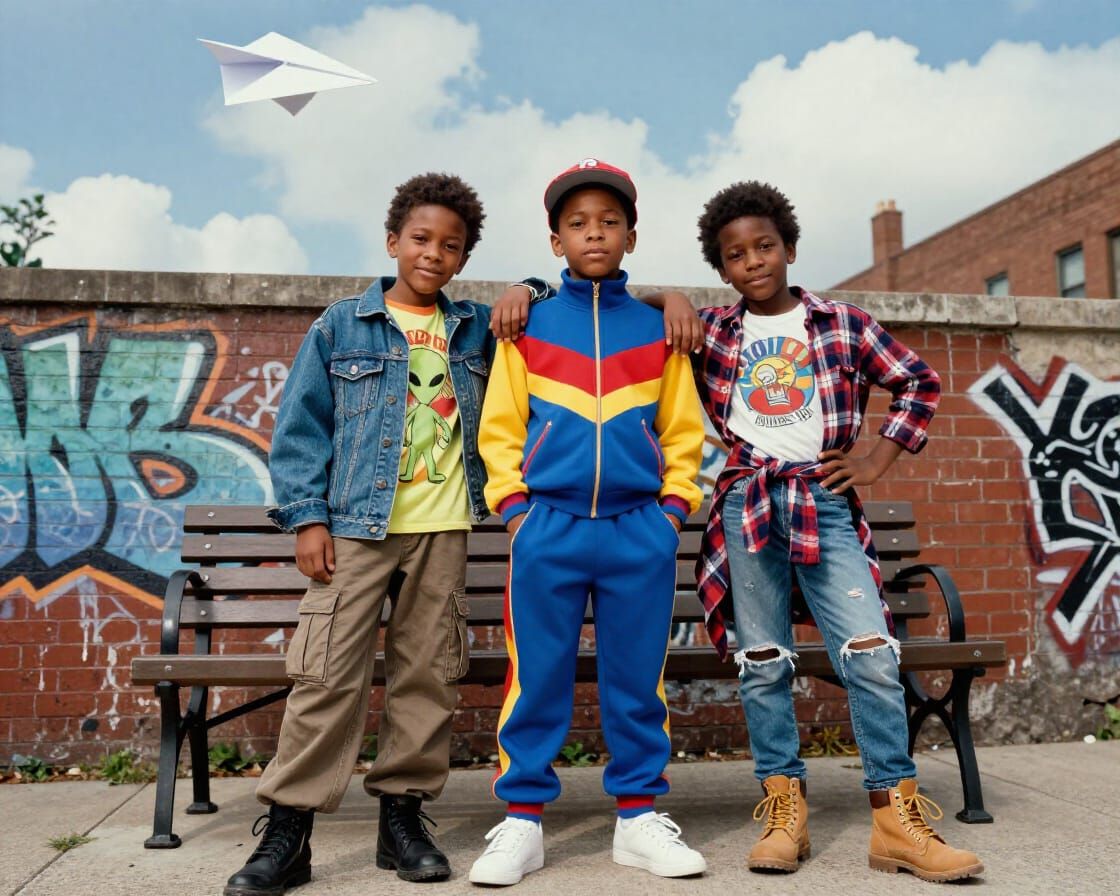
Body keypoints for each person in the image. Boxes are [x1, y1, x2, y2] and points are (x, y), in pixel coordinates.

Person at [223, 172, 557, 896]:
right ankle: (289, 833)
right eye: (420, 239)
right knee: (325, 676)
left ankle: (401, 822)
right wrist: (308, 518)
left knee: (426, 677)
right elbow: (301, 429)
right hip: (354, 531)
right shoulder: (342, 326)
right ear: (392, 242)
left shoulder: (475, 330)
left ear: (464, 259)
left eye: (451, 245)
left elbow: (558, 303)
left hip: (442, 531)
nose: (433, 254)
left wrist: (527, 286)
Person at [687, 181, 983, 882]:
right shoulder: (715, 333)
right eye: (736, 255)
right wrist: (670, 302)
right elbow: (633, 319)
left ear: (789, 248)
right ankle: (785, 812)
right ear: (722, 270)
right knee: (764, 662)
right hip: (748, 503)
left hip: (822, 498)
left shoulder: (841, 323)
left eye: (765, 246)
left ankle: (894, 819)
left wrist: (876, 460)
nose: (753, 260)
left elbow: (917, 381)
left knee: (872, 652)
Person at [468, 159, 707, 887]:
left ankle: (638, 820)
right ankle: (523, 824)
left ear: (631, 237)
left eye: (608, 222)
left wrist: (672, 513)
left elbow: (683, 430)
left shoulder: (659, 327)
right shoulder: (527, 324)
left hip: (640, 530)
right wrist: (515, 512)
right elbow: (501, 428)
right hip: (550, 530)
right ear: (554, 240)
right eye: (578, 224)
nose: (593, 233)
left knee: (637, 682)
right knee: (534, 678)